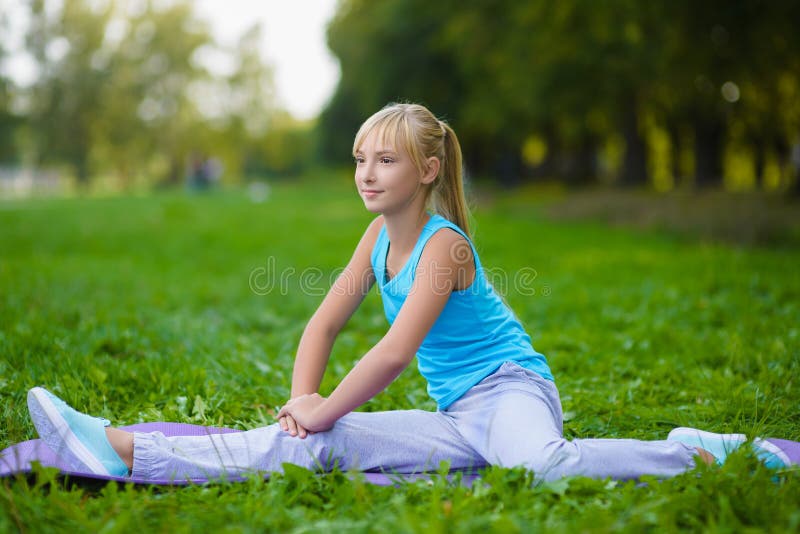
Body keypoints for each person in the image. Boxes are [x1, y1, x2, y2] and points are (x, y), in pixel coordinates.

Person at [26, 103, 791, 482]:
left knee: (546, 467)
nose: (366, 173)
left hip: (512, 391)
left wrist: (327, 403)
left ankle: (695, 451)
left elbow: (393, 353)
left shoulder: (445, 247)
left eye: (384, 161)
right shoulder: (373, 239)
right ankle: (118, 448)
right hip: (458, 413)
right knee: (317, 448)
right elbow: (324, 324)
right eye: (360, 159)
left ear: (426, 171)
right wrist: (304, 403)